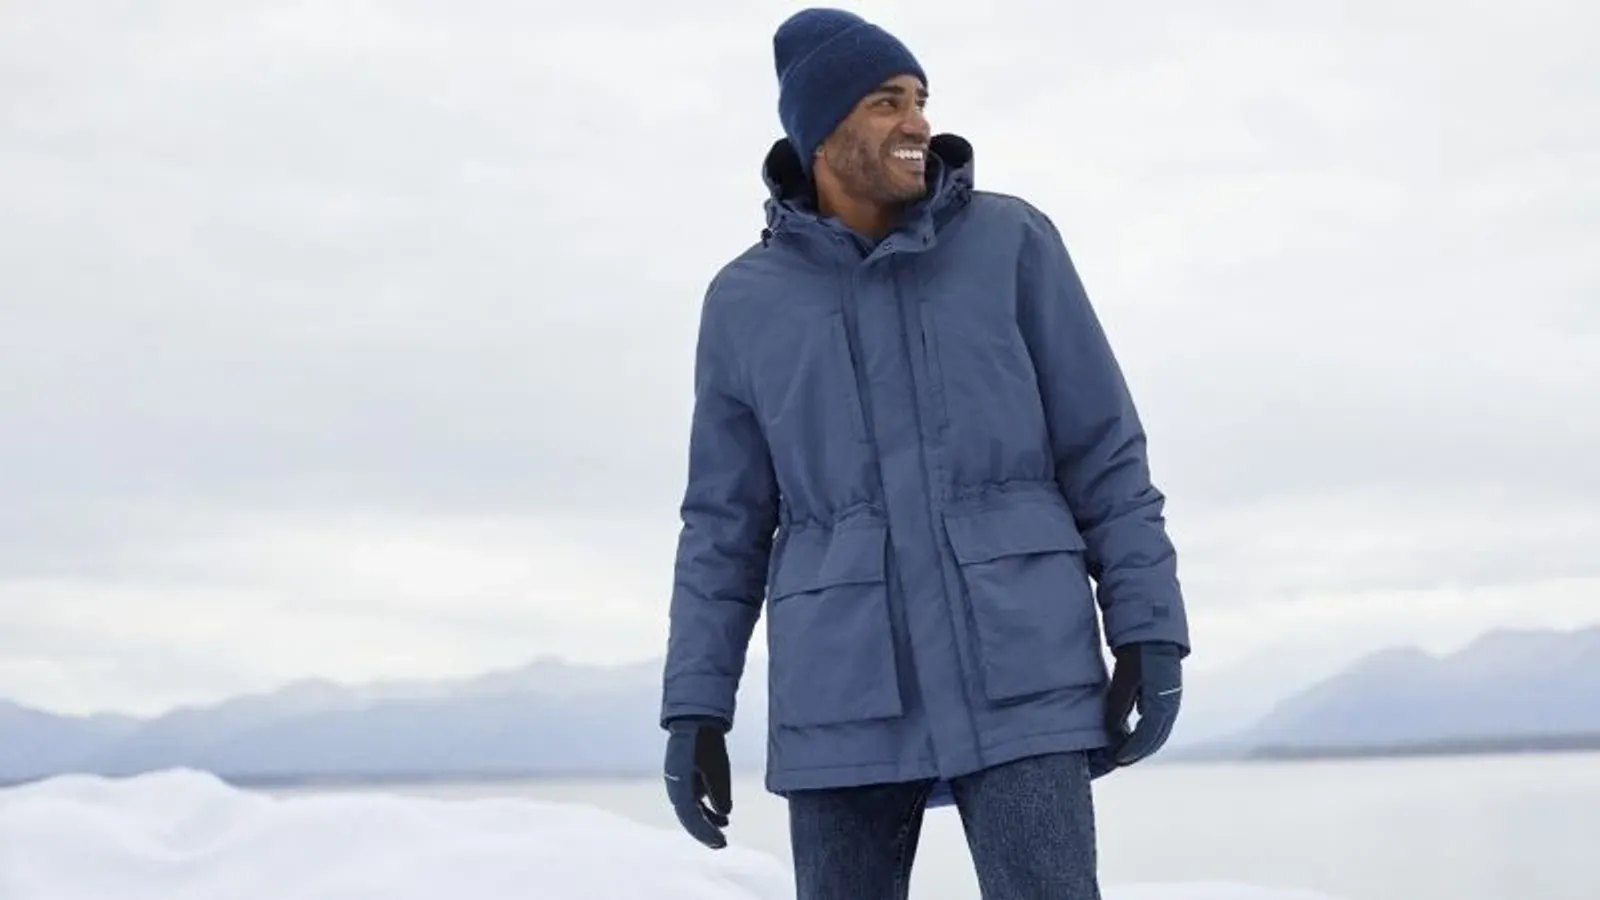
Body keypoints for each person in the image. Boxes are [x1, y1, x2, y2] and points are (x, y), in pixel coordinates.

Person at [658, 8, 1190, 898]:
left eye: (920, 99)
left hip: (1024, 668)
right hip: (842, 698)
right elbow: (723, 524)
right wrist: (696, 707)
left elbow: (1103, 452)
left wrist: (1149, 627)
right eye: (885, 102)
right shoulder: (745, 303)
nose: (918, 124)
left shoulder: (1012, 244)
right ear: (821, 132)